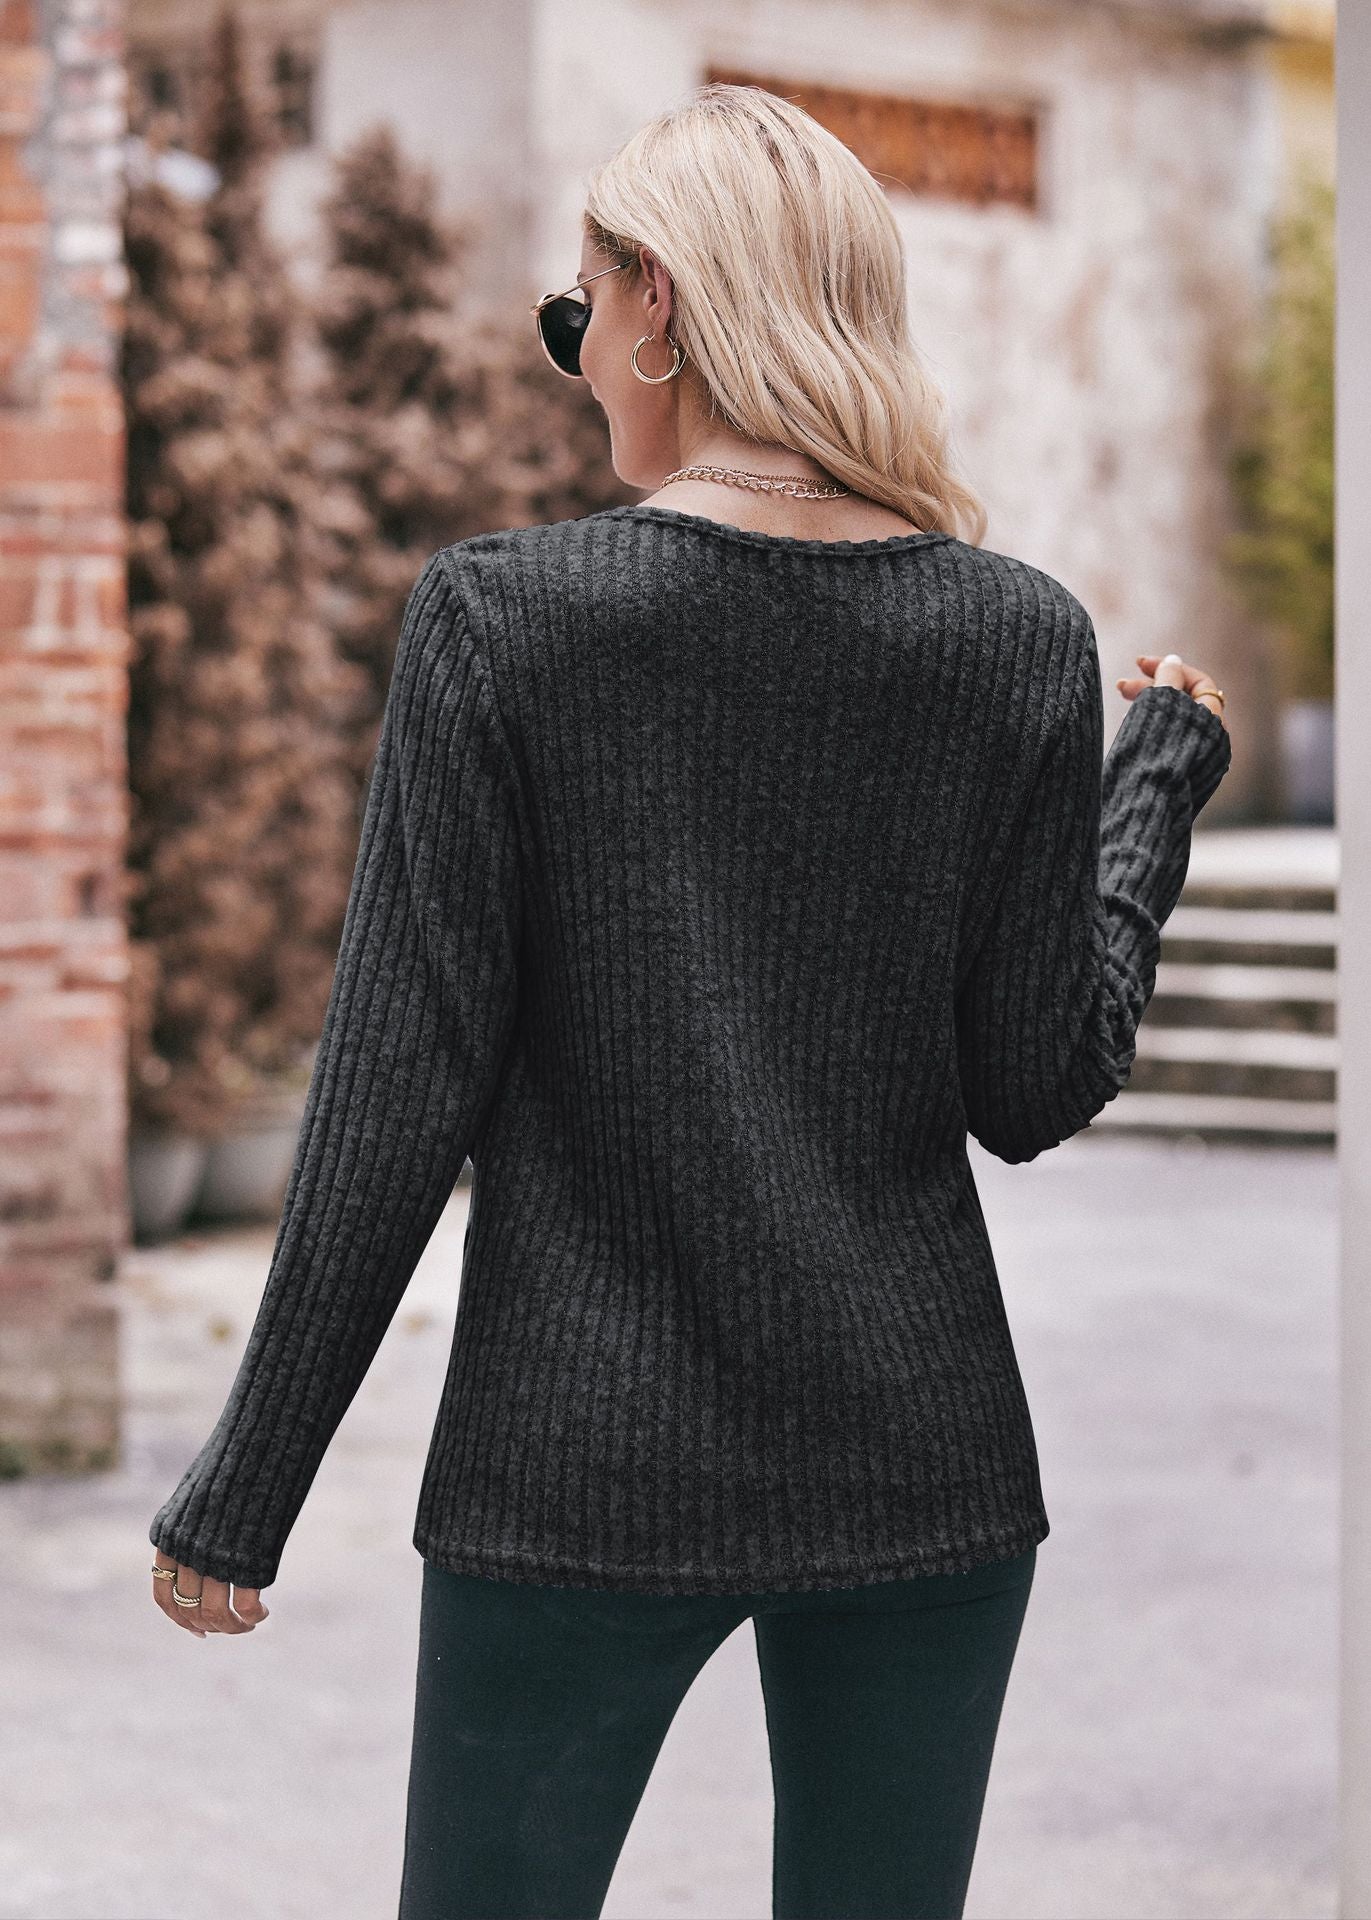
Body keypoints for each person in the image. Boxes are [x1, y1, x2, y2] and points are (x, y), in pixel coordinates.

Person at [147, 82, 1233, 1920]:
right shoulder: (1016, 637)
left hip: (572, 1478)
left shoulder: (507, 623)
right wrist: (1155, 791)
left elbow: (397, 1092)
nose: (577, 357)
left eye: (575, 313)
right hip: (923, 1467)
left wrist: (245, 1489)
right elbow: (1037, 1083)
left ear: (657, 300)